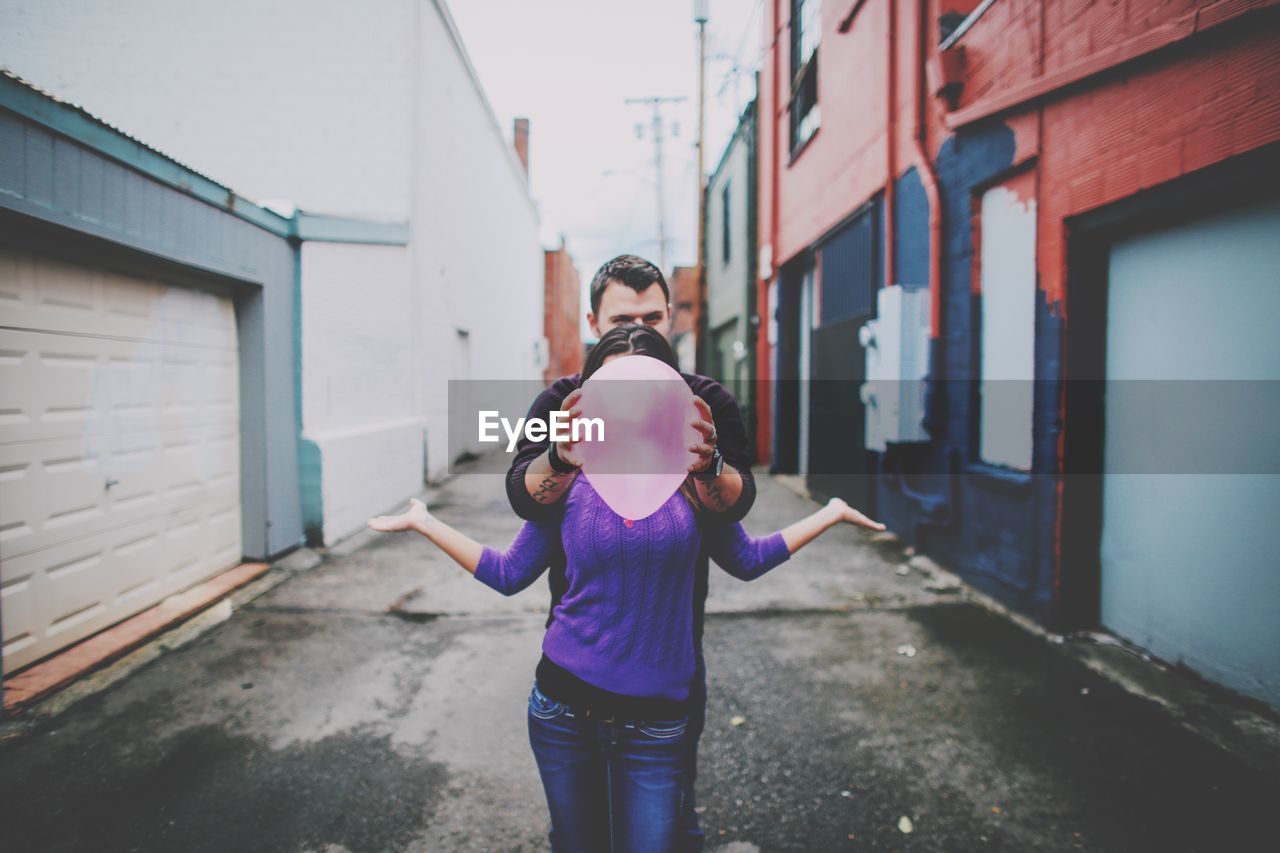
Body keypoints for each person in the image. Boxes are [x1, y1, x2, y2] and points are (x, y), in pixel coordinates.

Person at [370, 326, 885, 852]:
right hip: (561, 709)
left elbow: (747, 559)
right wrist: (425, 523)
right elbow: (508, 572)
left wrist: (828, 514)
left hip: (658, 724)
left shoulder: (691, 478)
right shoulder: (571, 472)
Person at [506, 254, 753, 851]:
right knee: (579, 831)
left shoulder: (707, 402)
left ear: (670, 319)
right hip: (578, 645)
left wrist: (709, 466)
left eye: (654, 317)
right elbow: (522, 495)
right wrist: (561, 457)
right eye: (624, 317)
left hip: (670, 653)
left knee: (671, 819)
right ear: (595, 322)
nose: (642, 333)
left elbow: (739, 506)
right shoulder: (561, 404)